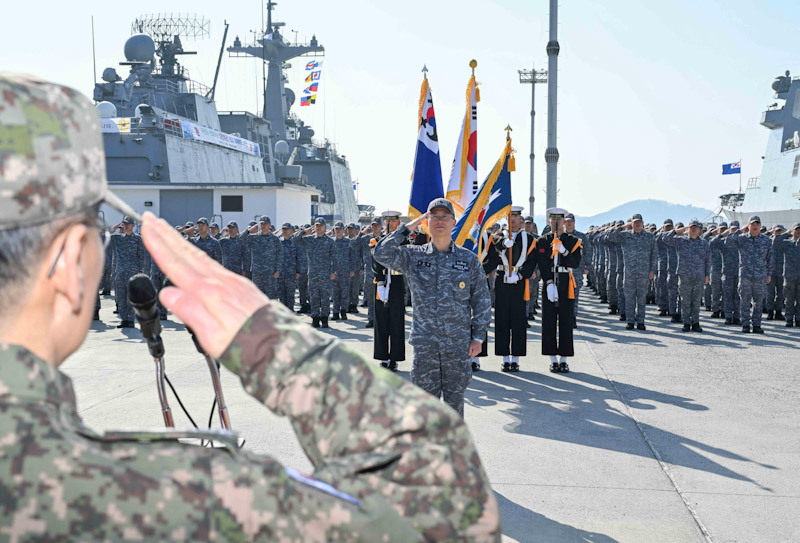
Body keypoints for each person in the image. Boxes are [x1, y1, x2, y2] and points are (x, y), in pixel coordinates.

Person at [0, 74, 500, 541]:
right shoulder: (167, 489)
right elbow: (452, 513)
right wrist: (284, 354)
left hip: (449, 343)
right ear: (73, 260)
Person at [373, 199, 491, 417]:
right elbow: (381, 253)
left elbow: (481, 300)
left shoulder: (468, 259)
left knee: (454, 407)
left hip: (457, 345)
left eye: (445, 216)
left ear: (453, 222)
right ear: (426, 222)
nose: (440, 221)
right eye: (434, 216)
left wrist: (478, 337)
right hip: (425, 344)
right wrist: (406, 228)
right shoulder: (413, 256)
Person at [484, 206, 537, 372]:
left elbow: (531, 262)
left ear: (520, 219)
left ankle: (516, 358)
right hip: (502, 280)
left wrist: (520, 276)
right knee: (502, 319)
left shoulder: (528, 239)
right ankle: (505, 358)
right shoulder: (498, 237)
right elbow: (492, 259)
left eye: (515, 216)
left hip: (518, 281)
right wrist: (501, 245)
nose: (512, 219)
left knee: (518, 320)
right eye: (510, 216)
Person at [536, 208, 582, 373]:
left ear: (564, 222)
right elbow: (542, 263)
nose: (556, 223)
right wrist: (548, 282)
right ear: (549, 222)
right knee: (548, 321)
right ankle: (552, 359)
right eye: (553, 220)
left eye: (559, 220)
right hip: (549, 282)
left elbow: (575, 263)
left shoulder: (572, 240)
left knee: (566, 321)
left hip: (565, 281)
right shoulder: (542, 241)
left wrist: (564, 251)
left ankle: (564, 359)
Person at [607, 214, 657, 330]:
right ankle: (630, 321)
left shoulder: (649, 237)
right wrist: (622, 227)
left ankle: (641, 321)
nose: (637, 224)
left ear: (643, 223)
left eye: (639, 222)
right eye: (635, 222)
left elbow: (654, 254)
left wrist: (652, 270)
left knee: (641, 299)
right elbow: (610, 237)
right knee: (629, 298)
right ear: (631, 224)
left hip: (644, 273)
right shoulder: (625, 235)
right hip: (629, 272)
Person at [725, 216, 774, 334]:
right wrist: (740, 230)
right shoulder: (742, 238)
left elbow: (770, 258)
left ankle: (757, 324)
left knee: (759, 302)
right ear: (748, 226)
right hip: (745, 275)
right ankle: (745, 324)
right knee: (745, 301)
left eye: (757, 224)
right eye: (752, 224)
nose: (755, 226)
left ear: (760, 226)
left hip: (760, 275)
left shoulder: (766, 240)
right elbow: (728, 241)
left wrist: (769, 274)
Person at [372, 211, 408, 370]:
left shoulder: (404, 241)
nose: (389, 224)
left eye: (393, 221)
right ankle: (383, 356)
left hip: (397, 283)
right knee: (381, 321)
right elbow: (375, 262)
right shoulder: (378, 241)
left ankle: (395, 358)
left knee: (396, 322)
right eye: (387, 221)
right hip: (382, 282)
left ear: (398, 223)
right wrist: (380, 282)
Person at [662, 219, 711, 332]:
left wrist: (707, 275)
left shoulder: (704, 243)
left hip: (699, 275)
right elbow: (665, 239)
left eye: (696, 228)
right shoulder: (681, 241)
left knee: (696, 300)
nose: (693, 229)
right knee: (685, 300)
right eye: (691, 227)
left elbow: (708, 260)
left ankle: (695, 322)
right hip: (685, 275)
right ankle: (686, 322)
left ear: (699, 230)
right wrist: (677, 230)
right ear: (688, 229)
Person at [293, 217, 336, 328]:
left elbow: (334, 257)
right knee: (314, 296)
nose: (319, 227)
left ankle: (325, 318)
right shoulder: (309, 239)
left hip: (325, 274)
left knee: (325, 297)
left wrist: (333, 271)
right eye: (317, 225)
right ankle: (315, 318)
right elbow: (295, 240)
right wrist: (304, 231)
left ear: (325, 227)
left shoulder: (330, 241)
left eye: (321, 226)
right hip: (313, 274)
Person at [108, 216, 145, 328]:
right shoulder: (118, 239)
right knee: (121, 296)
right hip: (120, 272)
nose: (126, 226)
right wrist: (116, 226)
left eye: (128, 224)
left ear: (133, 225)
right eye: (124, 224)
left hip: (133, 272)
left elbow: (141, 256)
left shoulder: (138, 239)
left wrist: (140, 272)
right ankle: (124, 319)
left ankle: (131, 319)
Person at [241, 215, 283, 299]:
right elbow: (240, 240)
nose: (263, 226)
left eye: (266, 224)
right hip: (257, 273)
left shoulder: (275, 239)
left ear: (270, 225)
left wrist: (278, 270)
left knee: (271, 297)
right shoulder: (254, 237)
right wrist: (248, 231)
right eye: (262, 224)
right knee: (258, 297)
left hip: (270, 273)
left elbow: (280, 255)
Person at [565, 213, 592, 328]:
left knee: (574, 293)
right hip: (563, 270)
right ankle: (564, 317)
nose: (569, 223)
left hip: (577, 269)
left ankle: (573, 317)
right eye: (567, 221)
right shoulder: (560, 236)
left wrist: (587, 266)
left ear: (574, 222)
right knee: (562, 294)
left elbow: (588, 252)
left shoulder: (581, 237)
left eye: (571, 221)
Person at [776, 223, 800, 327]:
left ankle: (798, 318)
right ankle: (789, 318)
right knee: (789, 299)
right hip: (789, 276)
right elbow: (775, 242)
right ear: (792, 230)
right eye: (796, 229)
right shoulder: (787, 243)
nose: (798, 231)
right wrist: (786, 233)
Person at [330, 221, 354, 320]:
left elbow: (352, 256)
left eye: (340, 229)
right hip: (334, 272)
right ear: (334, 230)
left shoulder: (348, 242)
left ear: (344, 230)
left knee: (345, 293)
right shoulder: (331, 242)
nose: (338, 231)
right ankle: (335, 312)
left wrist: (352, 269)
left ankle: (344, 311)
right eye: (337, 229)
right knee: (335, 293)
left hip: (345, 271)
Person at [277, 223, 301, 310]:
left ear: (291, 230)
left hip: (291, 273)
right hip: (280, 273)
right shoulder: (279, 242)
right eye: (283, 229)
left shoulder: (295, 242)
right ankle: (283, 314)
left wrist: (298, 271)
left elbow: (299, 258)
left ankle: (290, 312)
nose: (285, 231)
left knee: (290, 294)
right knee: (281, 295)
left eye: (287, 229)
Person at [767, 225, 786, 321]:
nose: (778, 232)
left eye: (780, 231)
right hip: (771, 271)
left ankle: (778, 311)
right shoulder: (769, 241)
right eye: (777, 231)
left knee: (780, 293)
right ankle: (770, 311)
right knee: (770, 293)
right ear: (773, 231)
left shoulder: (785, 242)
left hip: (781, 271)